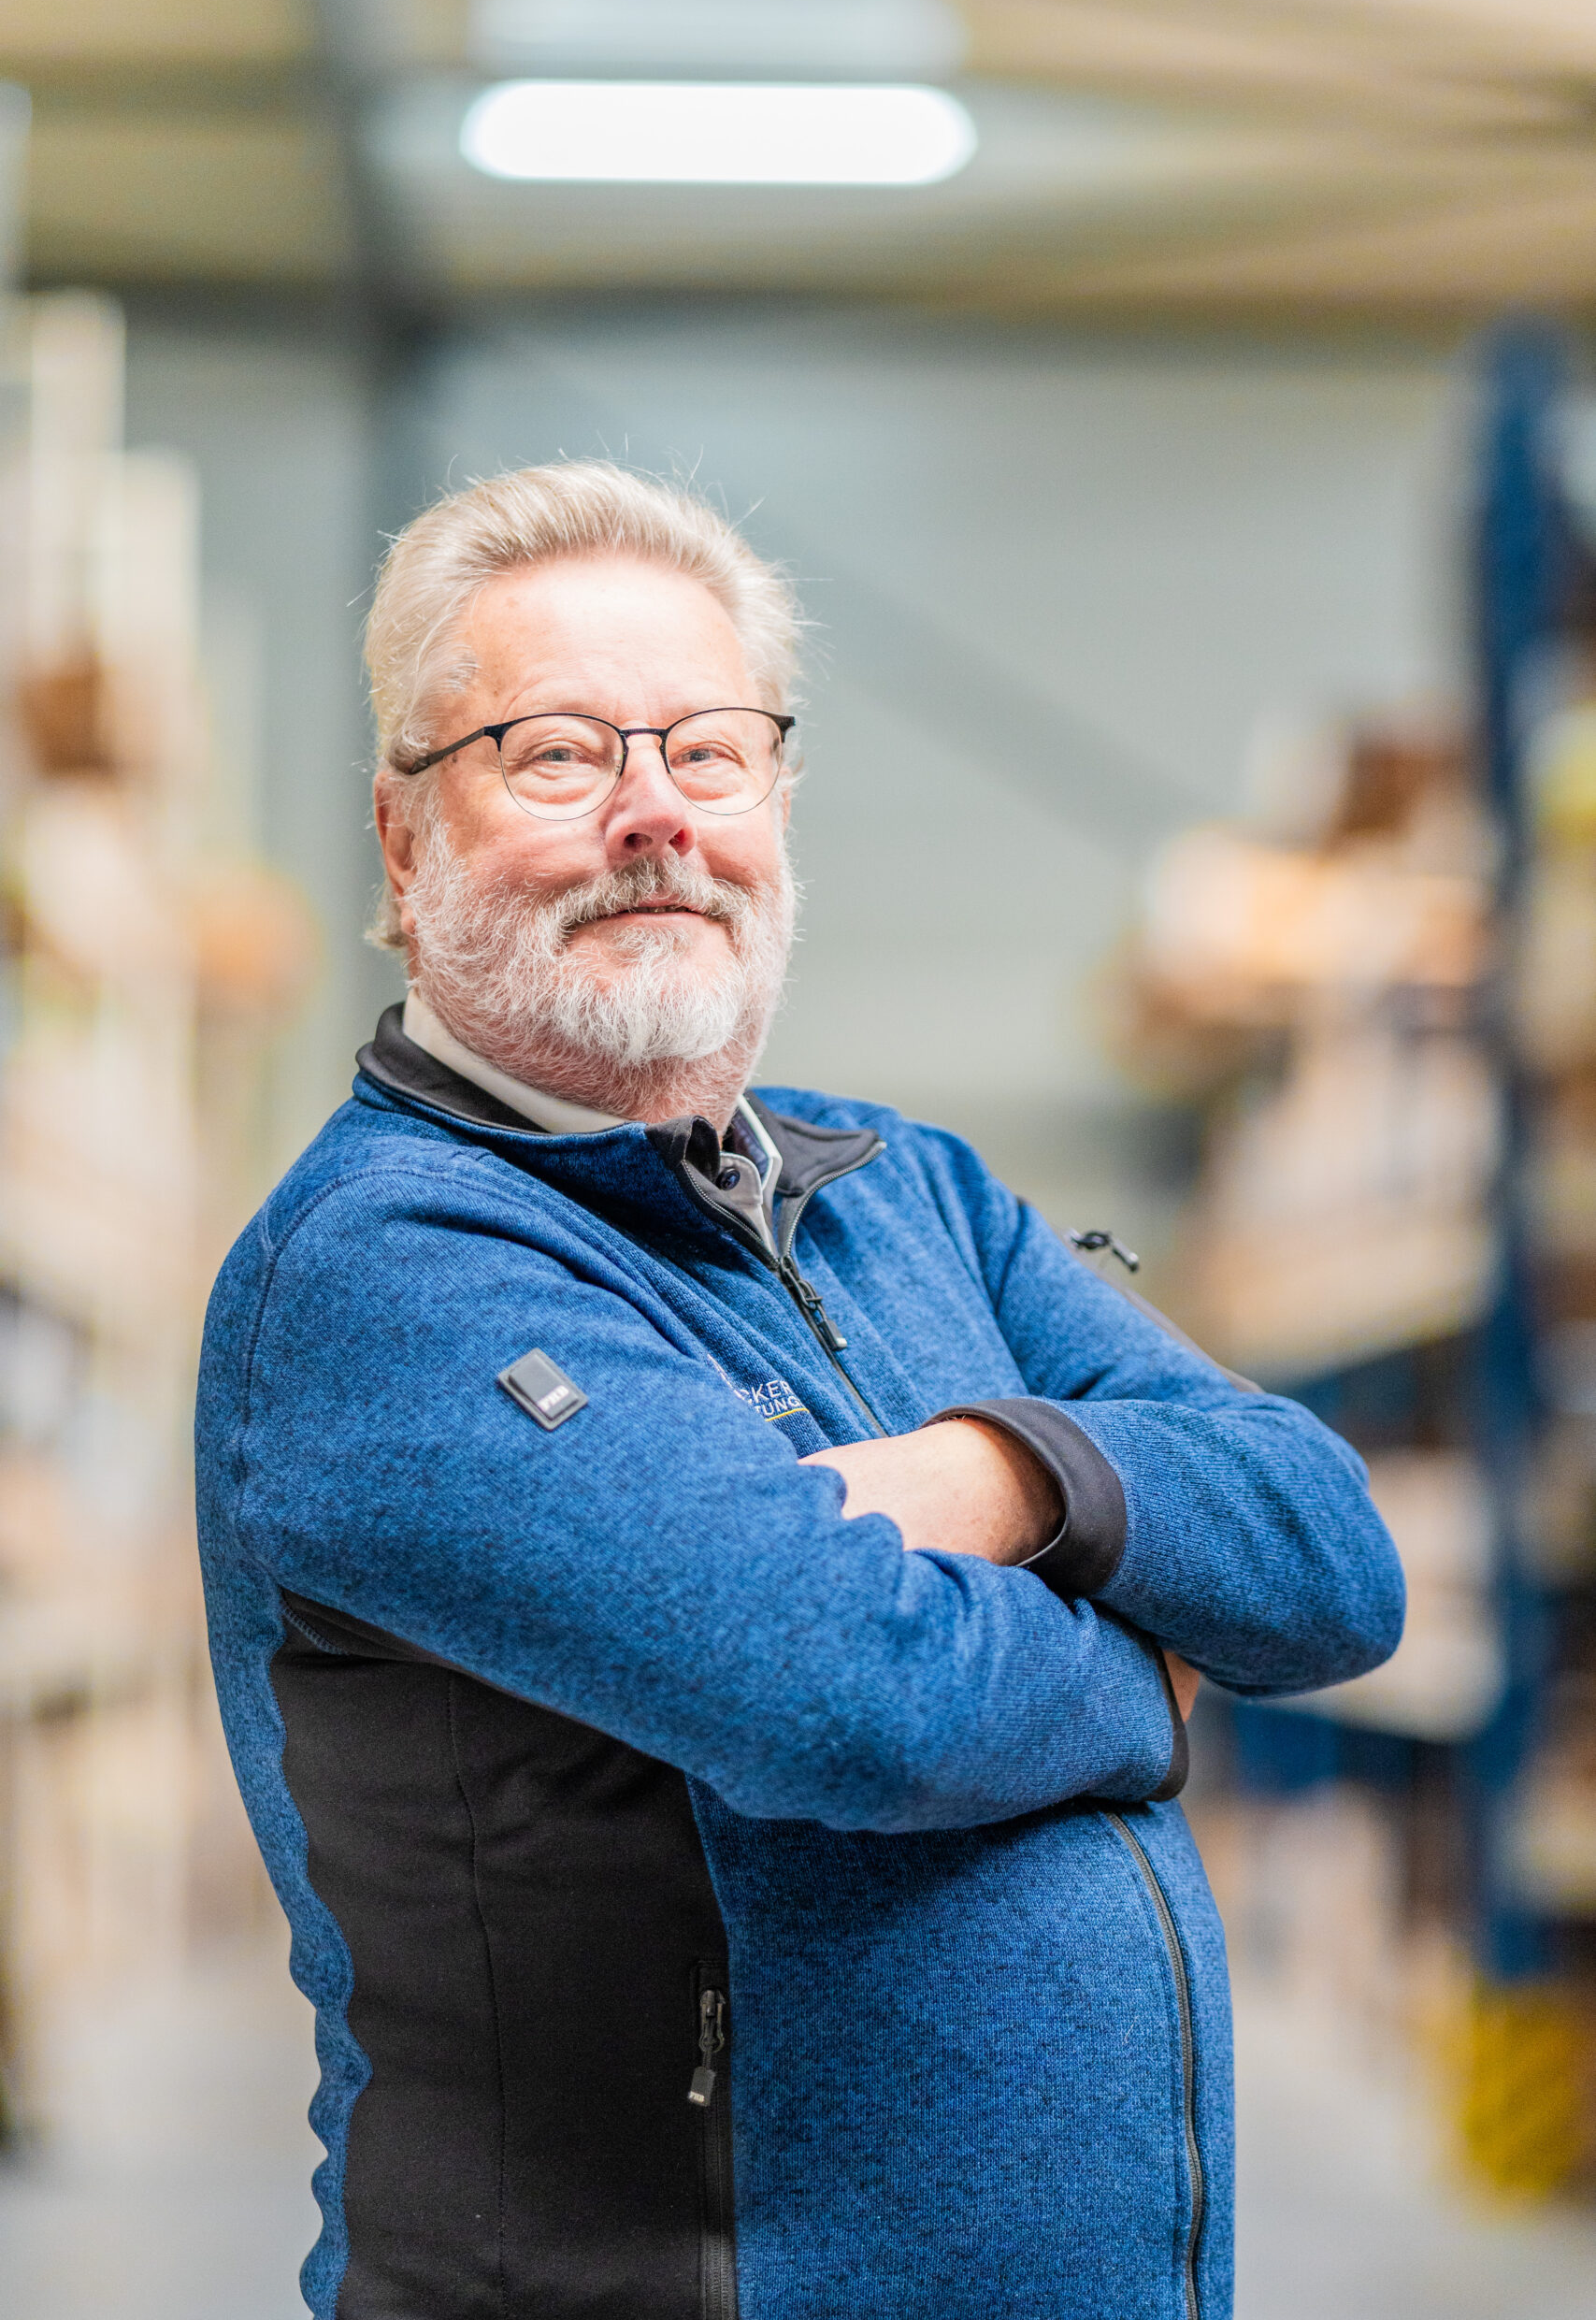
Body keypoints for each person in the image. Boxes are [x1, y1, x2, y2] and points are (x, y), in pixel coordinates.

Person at [195, 461, 1403, 2320]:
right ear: (399, 833)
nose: (652, 817)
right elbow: (849, 1698)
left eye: (710, 750)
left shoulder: (902, 1188)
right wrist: (1153, 1674)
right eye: (553, 752)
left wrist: (993, 1474)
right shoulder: (383, 1266)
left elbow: (1325, 1559)